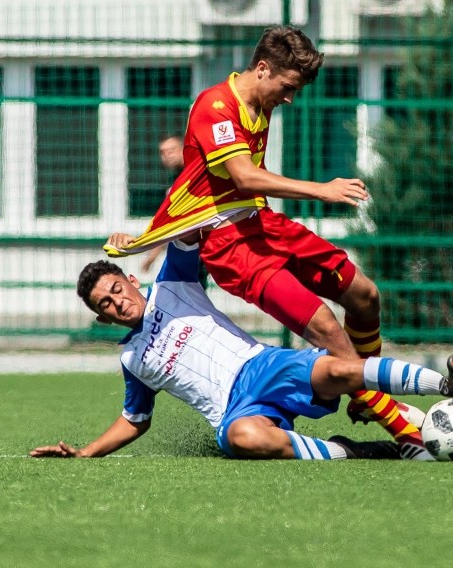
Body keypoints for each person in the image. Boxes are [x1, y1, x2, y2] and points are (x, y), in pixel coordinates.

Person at [103, 26, 419, 453]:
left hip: (262, 223)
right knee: (325, 327)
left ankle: (365, 396)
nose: (289, 98)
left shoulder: (259, 102)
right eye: (287, 87)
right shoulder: (216, 106)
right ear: (264, 68)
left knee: (364, 295)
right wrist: (321, 189)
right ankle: (399, 423)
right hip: (230, 247)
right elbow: (244, 176)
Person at [30, 236, 453, 461]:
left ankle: (449, 383)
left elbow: (191, 225)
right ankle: (361, 451)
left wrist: (149, 234)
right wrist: (86, 453)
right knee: (244, 439)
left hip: (263, 365)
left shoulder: (172, 283)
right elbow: (135, 420)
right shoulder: (132, 359)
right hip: (234, 411)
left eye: (116, 288)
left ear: (131, 279)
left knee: (340, 369)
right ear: (103, 317)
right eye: (105, 304)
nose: (117, 301)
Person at [141, 134, 209, 291]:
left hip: (205, 245)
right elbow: (170, 218)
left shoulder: (196, 174)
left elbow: (171, 220)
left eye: (171, 150)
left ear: (183, 149)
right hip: (191, 248)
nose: (167, 155)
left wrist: (153, 255)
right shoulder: (174, 179)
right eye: (162, 152)